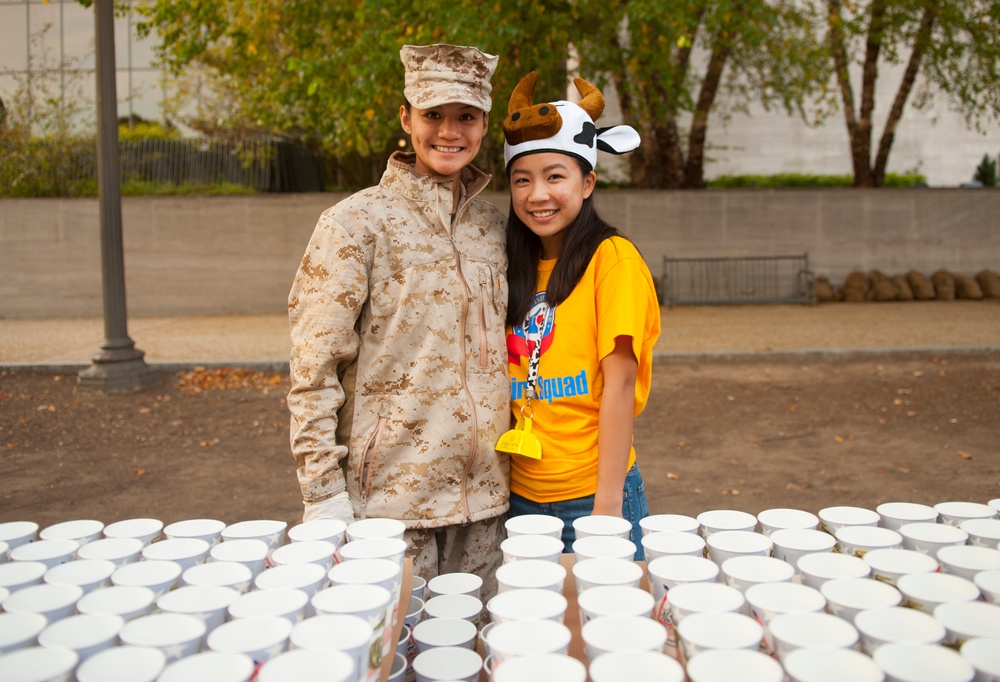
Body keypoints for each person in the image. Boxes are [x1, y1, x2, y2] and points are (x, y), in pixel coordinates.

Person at [287, 44, 510, 595]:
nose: (449, 131)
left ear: (485, 124)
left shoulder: (495, 227)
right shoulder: (354, 223)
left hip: (487, 503)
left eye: (466, 116)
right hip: (388, 509)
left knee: (475, 653)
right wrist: (321, 493)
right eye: (433, 114)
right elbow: (313, 370)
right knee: (392, 657)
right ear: (406, 117)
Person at [500, 71, 661, 559]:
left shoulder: (613, 260)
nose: (537, 195)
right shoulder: (511, 262)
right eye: (522, 179)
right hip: (520, 497)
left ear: (587, 181)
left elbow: (619, 386)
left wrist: (608, 506)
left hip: (593, 496)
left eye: (555, 176)